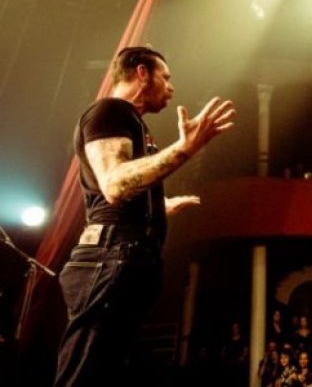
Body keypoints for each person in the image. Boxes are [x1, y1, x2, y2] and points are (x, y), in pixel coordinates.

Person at [54, 46, 235, 387]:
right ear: (141, 73)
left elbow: (119, 194)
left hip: (122, 260)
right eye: (165, 77)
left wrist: (159, 208)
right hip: (108, 260)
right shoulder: (110, 112)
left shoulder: (132, 124)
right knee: (83, 376)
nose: (171, 87)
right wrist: (184, 149)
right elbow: (114, 184)